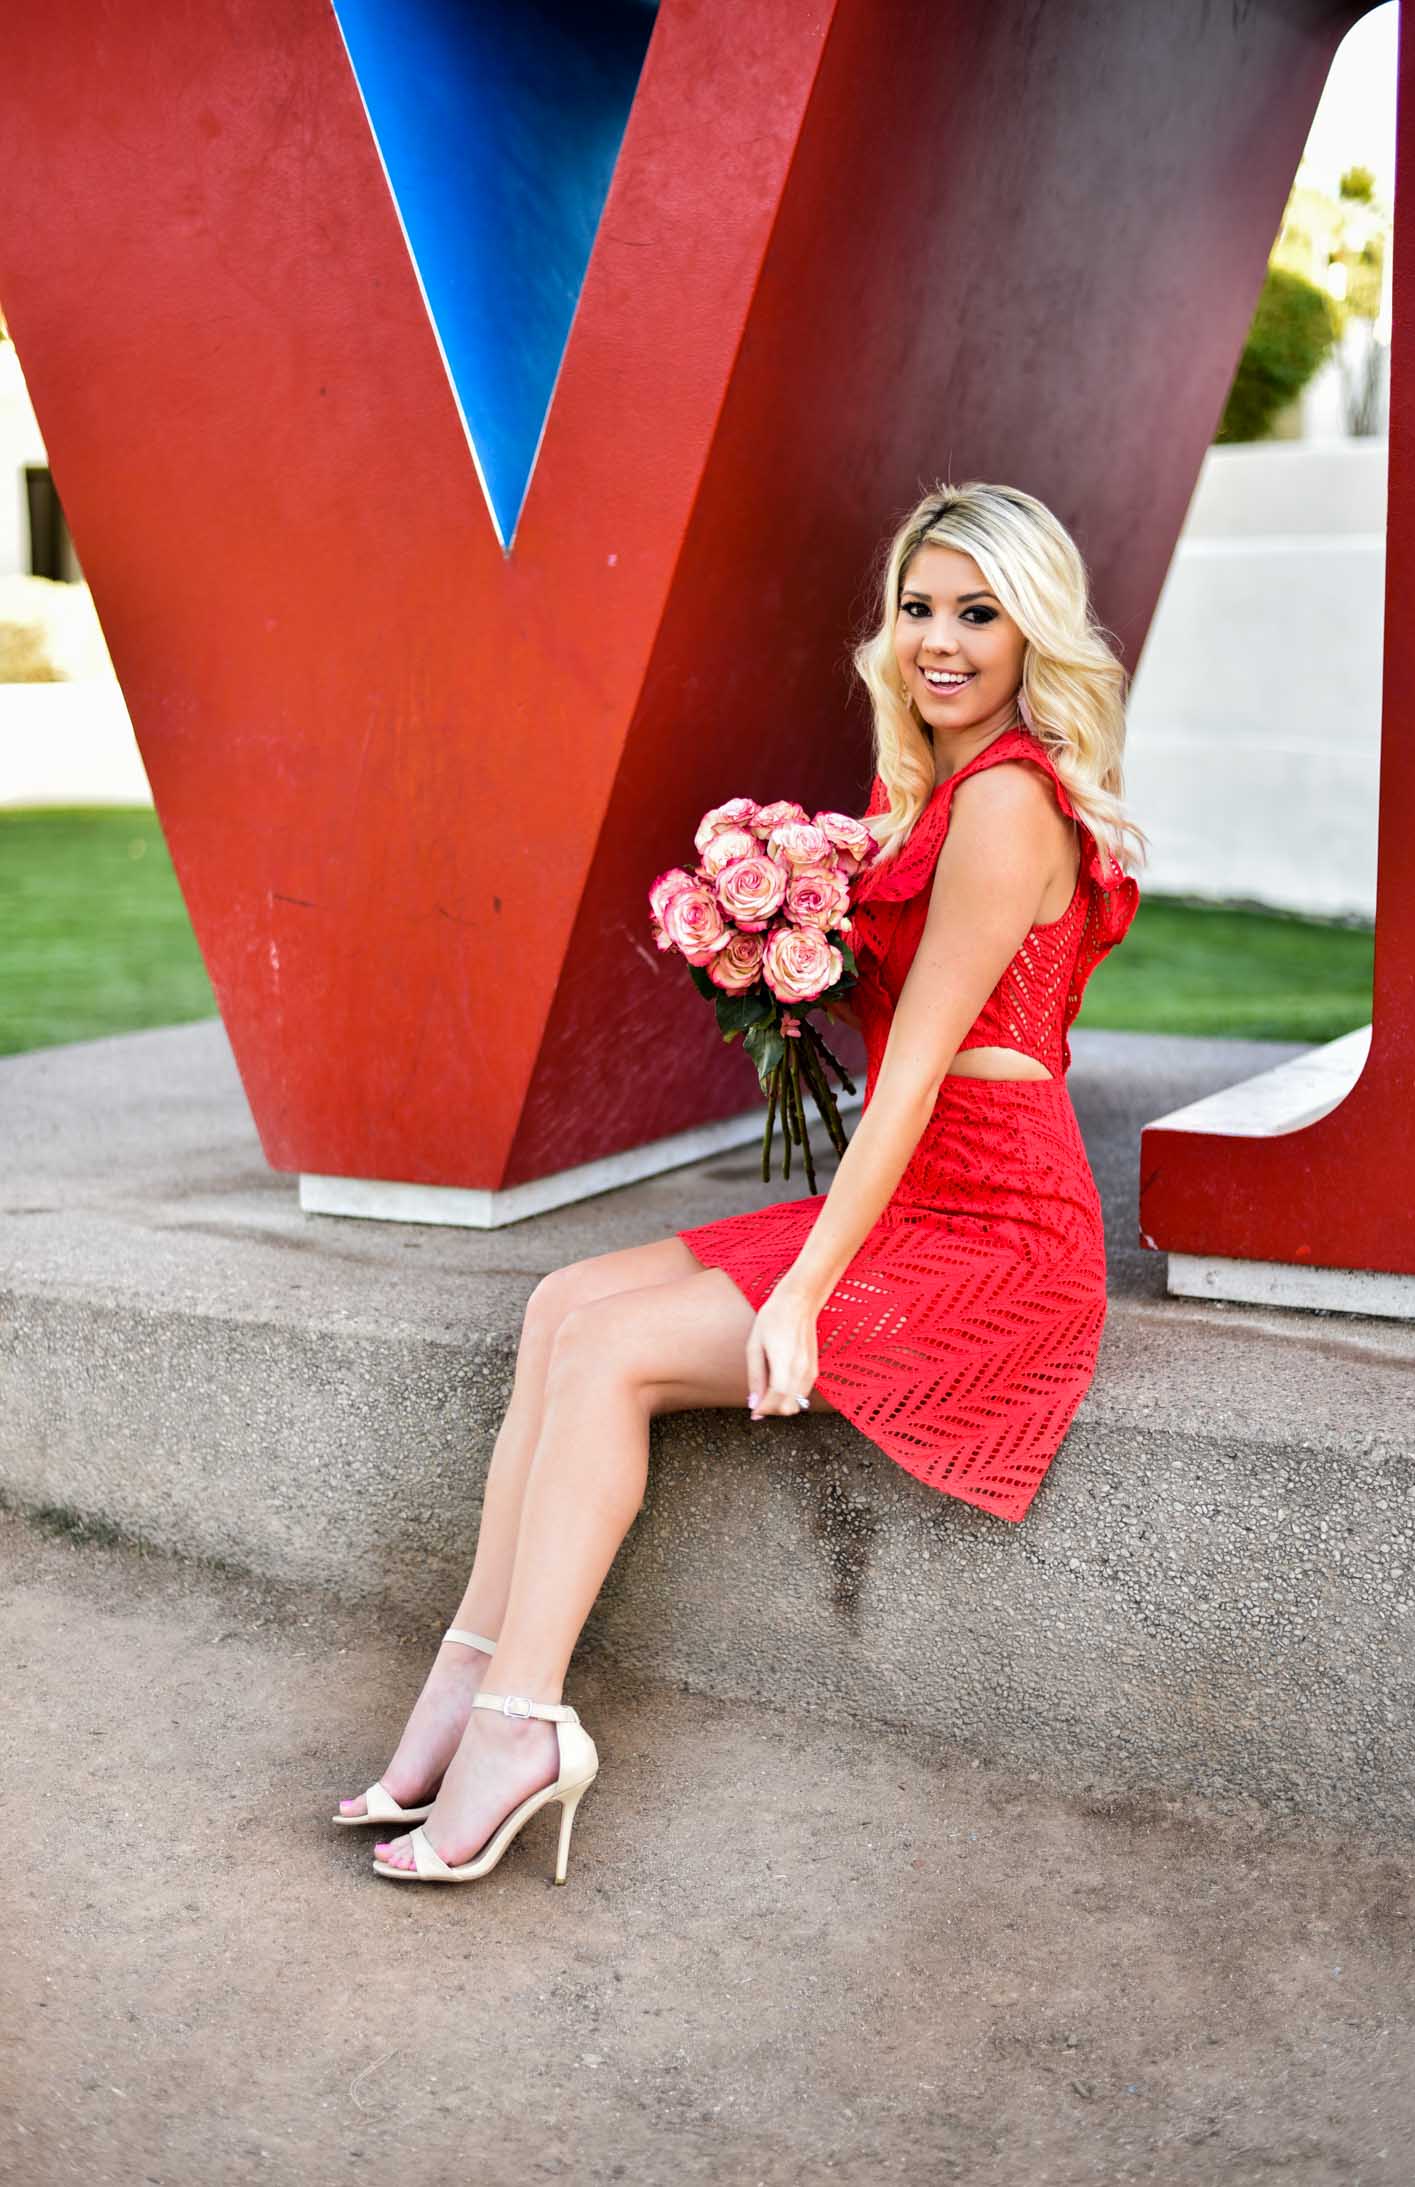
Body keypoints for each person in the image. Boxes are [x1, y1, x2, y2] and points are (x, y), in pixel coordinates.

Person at [340, 480, 1146, 1886]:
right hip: (923, 1197)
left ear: (1035, 633)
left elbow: (910, 1082)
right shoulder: (938, 795)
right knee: (559, 1302)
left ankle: (522, 1726)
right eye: (917, 609)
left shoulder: (1008, 802)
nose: (940, 642)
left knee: (610, 1355)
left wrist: (804, 1297)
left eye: (979, 613)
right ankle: (466, 1681)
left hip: (997, 1235)